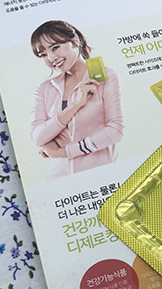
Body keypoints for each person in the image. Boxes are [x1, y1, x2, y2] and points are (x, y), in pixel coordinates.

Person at [30, 20, 125, 180]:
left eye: (55, 47)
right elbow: (38, 137)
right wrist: (76, 105)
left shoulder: (107, 77)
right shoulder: (45, 88)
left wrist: (63, 152)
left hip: (101, 174)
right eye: (43, 54)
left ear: (74, 41)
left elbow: (115, 131)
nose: (51, 58)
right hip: (58, 178)